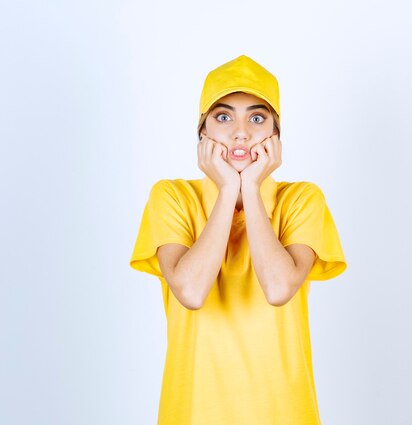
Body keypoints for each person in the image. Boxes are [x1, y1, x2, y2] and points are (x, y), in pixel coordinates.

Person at [129, 54, 347, 425]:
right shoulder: (172, 197)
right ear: (203, 132)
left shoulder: (301, 199)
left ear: (275, 136)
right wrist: (229, 188)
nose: (241, 132)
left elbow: (279, 289)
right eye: (224, 116)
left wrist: (252, 187)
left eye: (258, 118)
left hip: (283, 412)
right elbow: (191, 292)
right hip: (193, 412)